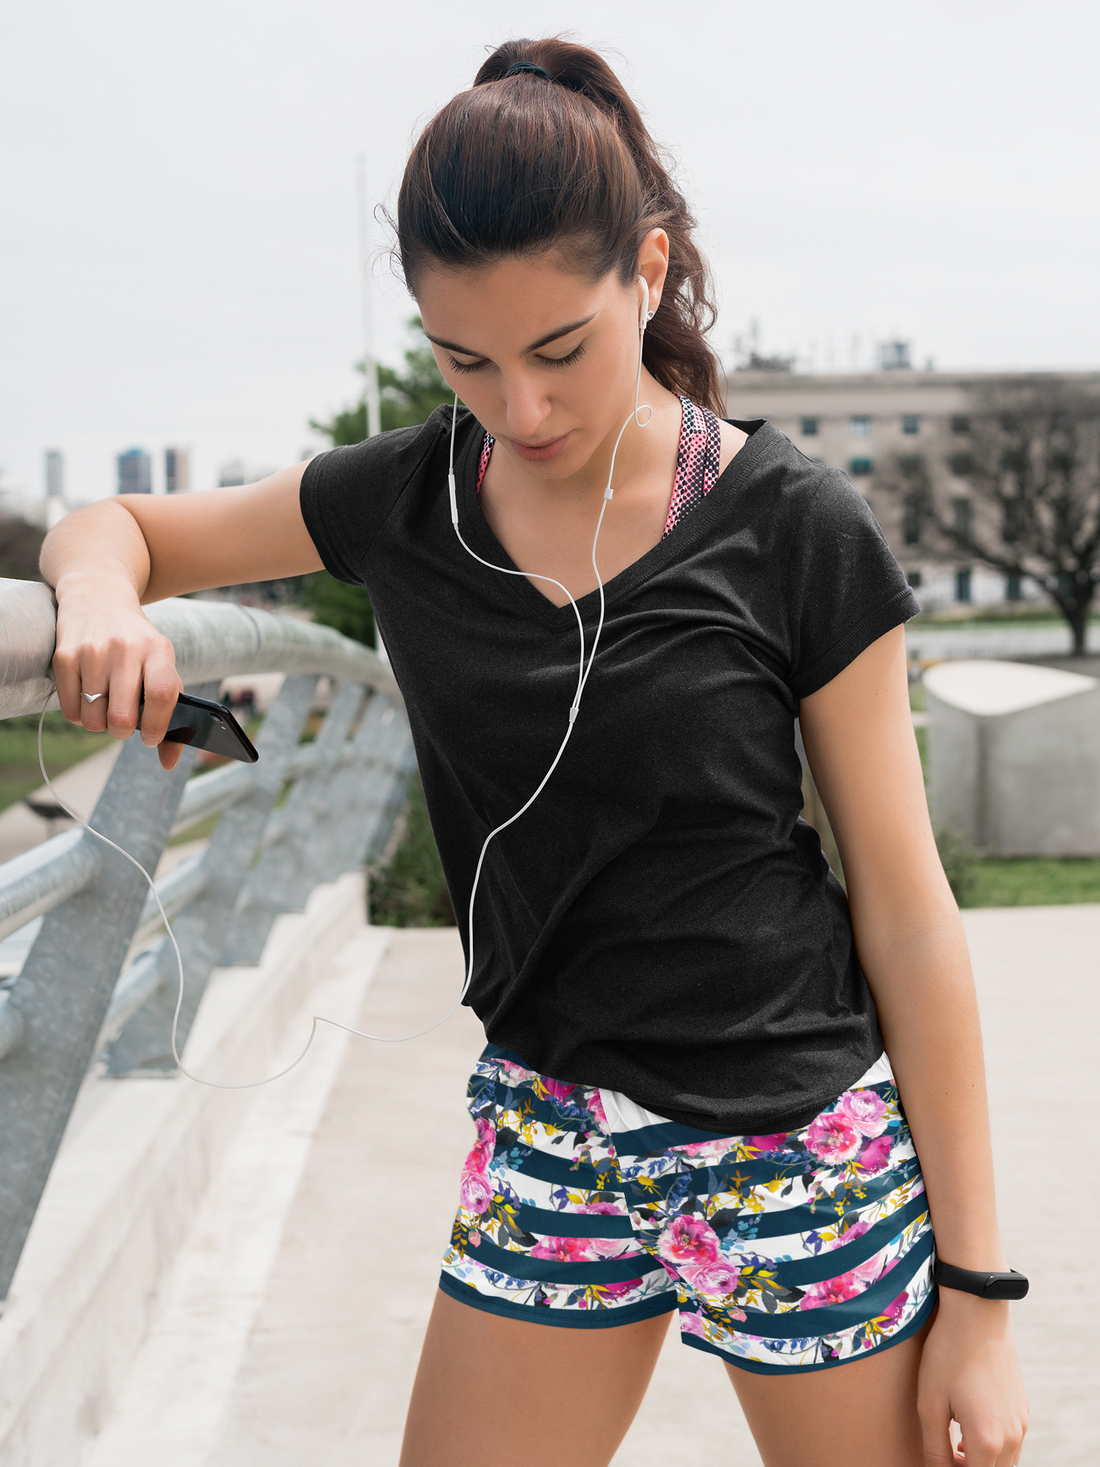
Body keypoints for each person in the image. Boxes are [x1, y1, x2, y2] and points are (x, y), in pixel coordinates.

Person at [40, 37, 1028, 1467]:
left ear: (648, 268)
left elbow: (906, 907)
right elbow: (119, 530)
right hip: (547, 1125)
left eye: (559, 350)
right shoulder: (405, 495)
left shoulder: (792, 525)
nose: (522, 410)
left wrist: (981, 1300)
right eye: (465, 361)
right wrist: (94, 601)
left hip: (796, 1139)